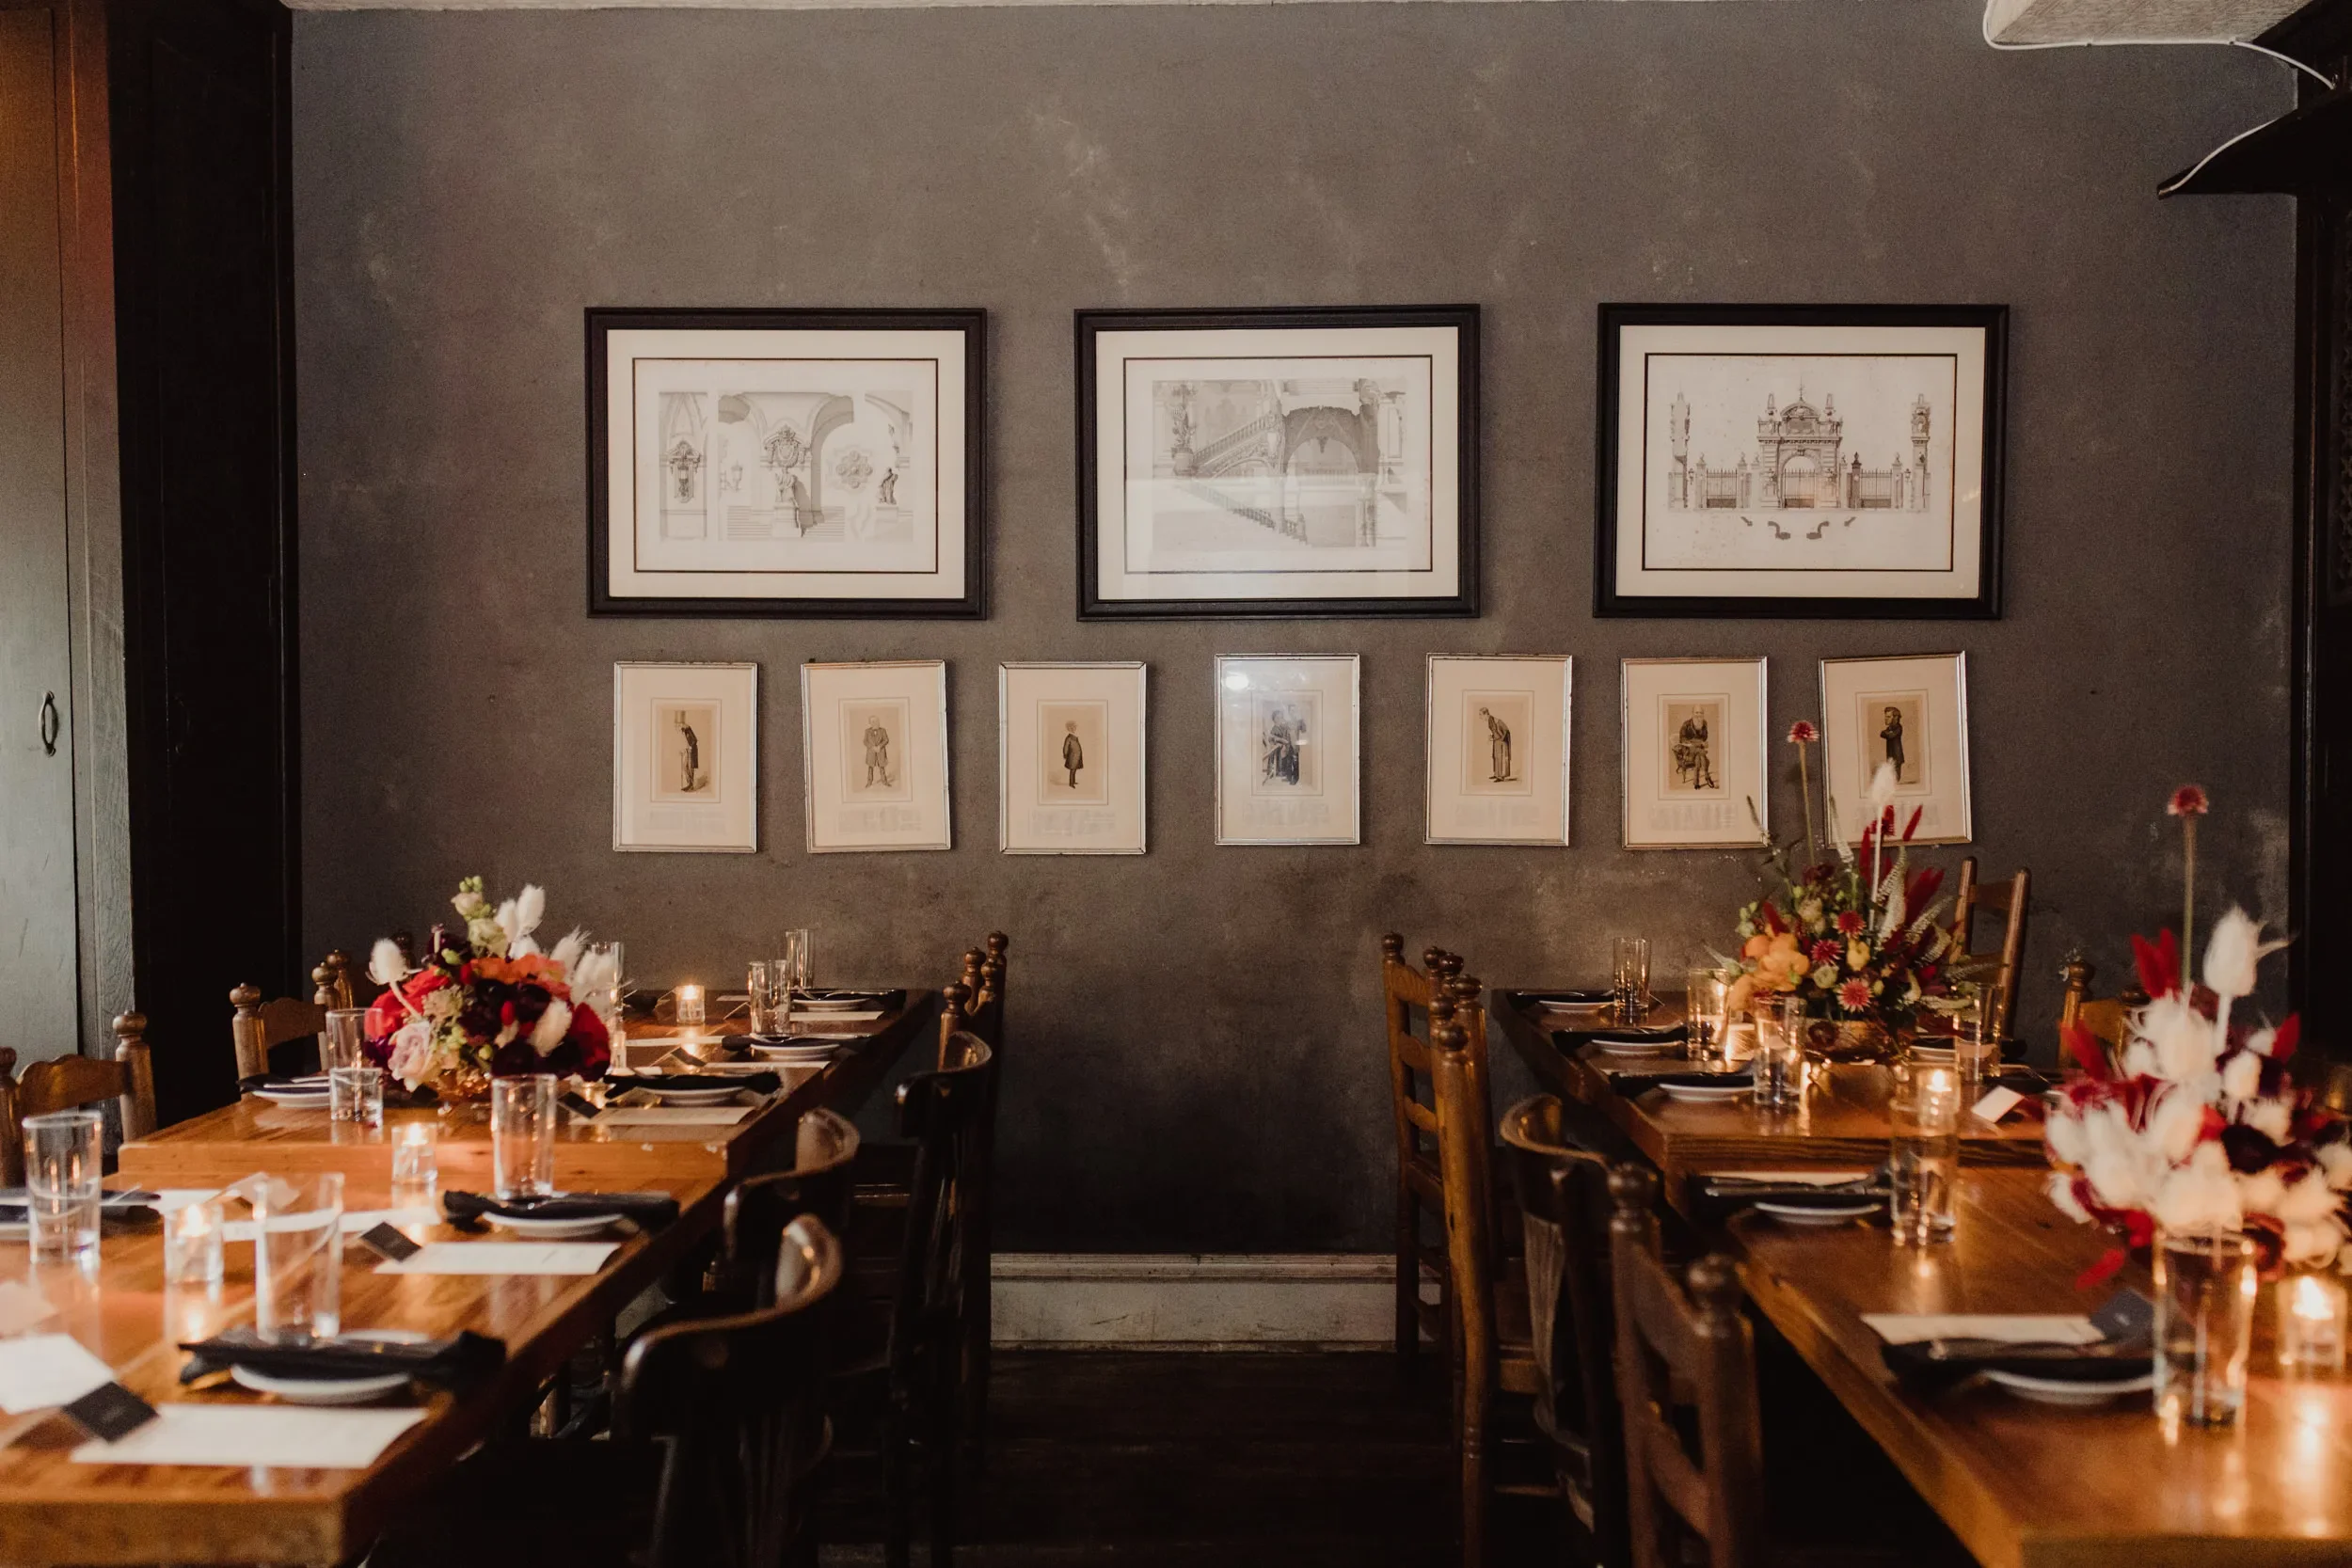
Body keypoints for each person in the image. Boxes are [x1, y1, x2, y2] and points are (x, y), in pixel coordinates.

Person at [1673, 712, 1716, 791]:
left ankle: (1696, 783)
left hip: (1697, 750)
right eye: (1696, 716)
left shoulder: (1704, 724)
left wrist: (1703, 742)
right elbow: (1682, 740)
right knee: (1702, 755)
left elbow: (1704, 737)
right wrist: (1697, 743)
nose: (1699, 719)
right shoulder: (1686, 725)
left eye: (1700, 716)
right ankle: (1707, 777)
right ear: (1692, 716)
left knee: (1699, 759)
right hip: (1688, 750)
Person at [1263, 706, 1304, 787]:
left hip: (1289, 746)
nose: (1280, 719)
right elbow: (1271, 738)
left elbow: (1289, 732)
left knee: (1292, 761)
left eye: (1281, 717)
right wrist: (1281, 740)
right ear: (1274, 719)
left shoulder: (1284, 726)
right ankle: (1284, 774)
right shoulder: (1275, 728)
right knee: (1285, 760)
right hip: (1280, 748)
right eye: (1278, 718)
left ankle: (1291, 777)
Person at [1480, 705, 1513, 784]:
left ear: (1486, 714)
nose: (1480, 717)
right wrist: (1493, 737)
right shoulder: (1490, 719)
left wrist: (1493, 738)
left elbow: (1502, 732)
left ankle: (1500, 776)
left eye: (1481, 715)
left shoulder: (1492, 720)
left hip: (1501, 741)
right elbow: (1495, 732)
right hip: (1498, 740)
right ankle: (1497, 774)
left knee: (1500, 757)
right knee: (1495, 756)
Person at [863, 713, 893, 790]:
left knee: (882, 767)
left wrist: (879, 746)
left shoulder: (883, 730)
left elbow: (886, 740)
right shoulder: (867, 731)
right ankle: (869, 783)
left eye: (876, 721)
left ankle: (884, 782)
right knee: (870, 768)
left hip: (881, 752)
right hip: (871, 753)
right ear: (870, 723)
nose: (875, 723)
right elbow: (865, 741)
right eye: (873, 721)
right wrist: (872, 747)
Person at [675, 712, 701, 794]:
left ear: (683, 724)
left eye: (679, 725)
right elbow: (683, 741)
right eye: (678, 725)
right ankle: (689, 783)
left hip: (691, 751)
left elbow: (694, 740)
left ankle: (691, 784)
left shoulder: (688, 729)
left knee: (690, 767)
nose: (678, 727)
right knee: (684, 767)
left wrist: (690, 747)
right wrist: (682, 750)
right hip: (686, 751)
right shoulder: (683, 731)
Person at [1881, 705, 1907, 781]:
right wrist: (1887, 733)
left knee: (1896, 776)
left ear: (1895, 718)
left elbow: (1889, 735)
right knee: (1891, 774)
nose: (1886, 719)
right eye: (1886, 716)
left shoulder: (1898, 727)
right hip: (1891, 755)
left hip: (1897, 755)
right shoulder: (1890, 728)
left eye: (1888, 717)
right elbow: (1882, 734)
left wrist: (1887, 733)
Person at [1060, 721, 1084, 789]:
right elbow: (1065, 747)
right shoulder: (1069, 738)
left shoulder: (1075, 737)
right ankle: (1071, 783)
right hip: (1072, 757)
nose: (1075, 728)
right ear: (1070, 729)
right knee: (1072, 770)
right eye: (1073, 727)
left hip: (1077, 756)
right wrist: (1065, 754)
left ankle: (1073, 781)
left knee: (1074, 769)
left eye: (1075, 727)